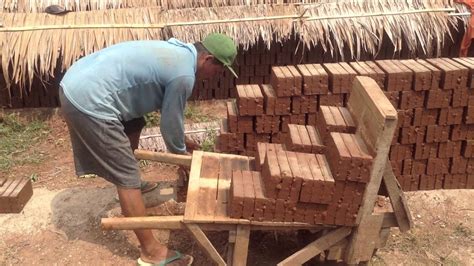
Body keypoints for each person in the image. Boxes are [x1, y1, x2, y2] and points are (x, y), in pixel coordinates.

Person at [59, 33, 238, 265]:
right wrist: (181, 157)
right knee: (127, 176)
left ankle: (132, 187)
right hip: (89, 99)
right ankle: (151, 252)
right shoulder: (184, 76)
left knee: (135, 123)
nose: (218, 76)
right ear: (208, 58)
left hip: (80, 78)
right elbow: (169, 125)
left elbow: (171, 117)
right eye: (220, 69)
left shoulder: (179, 52)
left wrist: (180, 141)